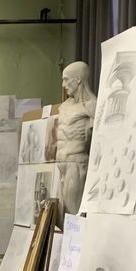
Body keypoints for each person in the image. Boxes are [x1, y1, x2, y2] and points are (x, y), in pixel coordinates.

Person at [56, 61, 97, 218]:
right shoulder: (65, 106)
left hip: (76, 163)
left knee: (75, 213)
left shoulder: (91, 105)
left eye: (66, 79)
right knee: (61, 215)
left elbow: (98, 140)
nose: (63, 84)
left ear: (78, 79)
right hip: (62, 164)